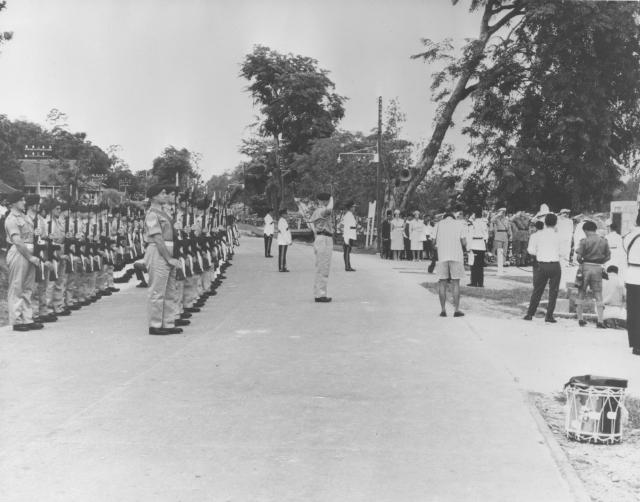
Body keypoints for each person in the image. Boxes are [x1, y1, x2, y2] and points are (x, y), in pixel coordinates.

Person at [144, 184, 183, 335]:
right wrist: (169, 258)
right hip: (158, 251)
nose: (165, 195)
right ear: (153, 197)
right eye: (162, 193)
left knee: (169, 290)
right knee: (157, 290)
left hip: (169, 251)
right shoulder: (152, 215)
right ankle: (155, 325)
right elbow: (158, 238)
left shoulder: (164, 213)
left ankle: (168, 323)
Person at [4, 191, 43, 331]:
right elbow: (17, 241)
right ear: (13, 203)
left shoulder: (25, 217)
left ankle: (27, 318)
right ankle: (17, 320)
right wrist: (31, 257)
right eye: (21, 200)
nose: (24, 202)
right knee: (17, 286)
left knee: (28, 287)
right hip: (20, 252)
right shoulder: (11, 219)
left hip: (29, 251)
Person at [524, 213, 561, 323]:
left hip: (541, 264)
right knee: (553, 291)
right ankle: (549, 316)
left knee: (537, 290)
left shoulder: (536, 235)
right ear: (555, 223)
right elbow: (563, 252)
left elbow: (530, 250)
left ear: (545, 222)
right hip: (554, 265)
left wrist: (539, 253)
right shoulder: (558, 236)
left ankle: (530, 314)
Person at [575, 220, 610, 328]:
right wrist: (600, 261)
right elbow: (608, 256)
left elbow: (578, 257)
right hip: (598, 269)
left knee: (581, 292)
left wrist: (582, 261)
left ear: (585, 230)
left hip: (584, 268)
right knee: (598, 294)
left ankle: (580, 319)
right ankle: (600, 321)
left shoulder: (584, 241)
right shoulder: (604, 241)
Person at [434, 210, 467, 317]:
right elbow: (464, 242)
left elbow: (433, 242)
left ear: (444, 217)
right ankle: (456, 310)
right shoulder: (459, 224)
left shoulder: (438, 224)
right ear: (453, 217)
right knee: (456, 283)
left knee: (442, 283)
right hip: (456, 256)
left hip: (442, 256)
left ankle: (443, 310)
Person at [310, 192, 334, 302]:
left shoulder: (317, 211)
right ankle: (321, 295)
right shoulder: (321, 210)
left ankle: (318, 293)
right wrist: (332, 199)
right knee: (323, 267)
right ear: (325, 201)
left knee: (321, 267)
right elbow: (329, 210)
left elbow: (312, 224)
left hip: (322, 238)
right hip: (324, 239)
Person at [623, 210, 640, 355]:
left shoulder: (629, 236)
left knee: (634, 311)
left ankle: (636, 345)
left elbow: (625, 251)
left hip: (632, 276)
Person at [468, 211, 488, 287]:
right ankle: (480, 283)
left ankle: (473, 282)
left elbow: (470, 234)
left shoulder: (473, 223)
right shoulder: (484, 223)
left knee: (473, 265)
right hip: (482, 244)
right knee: (480, 265)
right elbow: (486, 235)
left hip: (474, 244)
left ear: (475, 215)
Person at [341, 200, 357, 271]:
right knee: (347, 251)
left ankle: (348, 266)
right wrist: (346, 239)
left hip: (350, 236)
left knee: (347, 251)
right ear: (350, 208)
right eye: (353, 207)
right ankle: (347, 267)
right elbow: (346, 228)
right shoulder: (348, 215)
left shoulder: (350, 215)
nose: (354, 208)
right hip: (348, 236)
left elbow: (352, 227)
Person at [277, 208, 292, 272]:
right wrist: (289, 241)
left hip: (284, 240)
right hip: (283, 241)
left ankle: (283, 267)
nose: (287, 215)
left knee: (283, 254)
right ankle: (281, 267)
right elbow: (284, 232)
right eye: (286, 214)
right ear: (283, 214)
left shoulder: (283, 220)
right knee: (282, 255)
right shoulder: (282, 221)